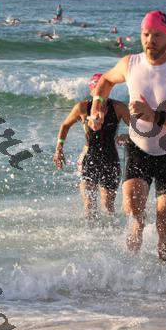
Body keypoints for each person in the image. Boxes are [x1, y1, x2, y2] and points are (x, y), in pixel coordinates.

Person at [90, 10, 166, 261]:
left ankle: (165, 272)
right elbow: (105, 81)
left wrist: (154, 116)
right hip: (138, 148)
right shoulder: (129, 64)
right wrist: (97, 107)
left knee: (165, 221)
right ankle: (132, 271)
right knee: (133, 211)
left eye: (157, 35)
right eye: (146, 34)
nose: (150, 40)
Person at [53, 74, 130, 222]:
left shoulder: (118, 107)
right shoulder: (82, 108)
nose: (100, 93)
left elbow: (137, 128)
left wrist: (127, 136)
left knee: (108, 208)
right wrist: (59, 149)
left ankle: (109, 235)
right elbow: (65, 125)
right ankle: (89, 234)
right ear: (91, 91)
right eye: (96, 90)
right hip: (88, 158)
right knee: (89, 208)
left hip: (110, 159)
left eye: (103, 90)